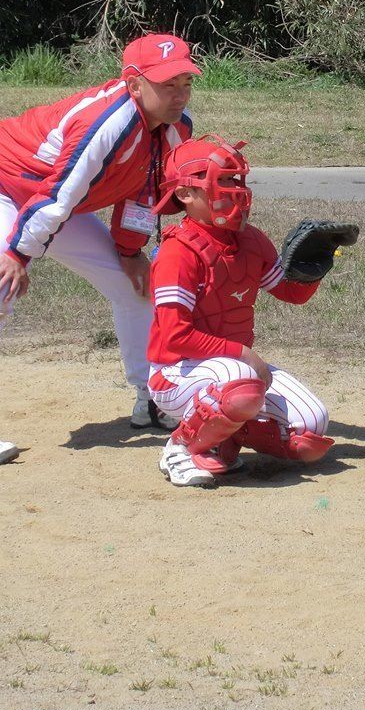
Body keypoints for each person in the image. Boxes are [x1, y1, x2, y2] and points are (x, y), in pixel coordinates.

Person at [0, 33, 197, 430]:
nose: (179, 95)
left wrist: (129, 252)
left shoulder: (176, 128)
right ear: (134, 84)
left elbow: (143, 192)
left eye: (185, 83)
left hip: (53, 201)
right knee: (1, 284)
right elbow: (57, 196)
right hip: (8, 186)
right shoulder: (107, 122)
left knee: (136, 287)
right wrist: (18, 254)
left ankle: (154, 399)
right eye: (167, 85)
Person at [146, 134, 335, 488]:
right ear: (185, 194)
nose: (236, 190)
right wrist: (244, 354)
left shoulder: (252, 240)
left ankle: (226, 439)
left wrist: (312, 271)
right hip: (174, 374)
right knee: (241, 380)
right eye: (223, 181)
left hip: (229, 372)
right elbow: (175, 336)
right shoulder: (178, 252)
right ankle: (181, 447)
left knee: (311, 429)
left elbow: (291, 294)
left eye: (237, 180)